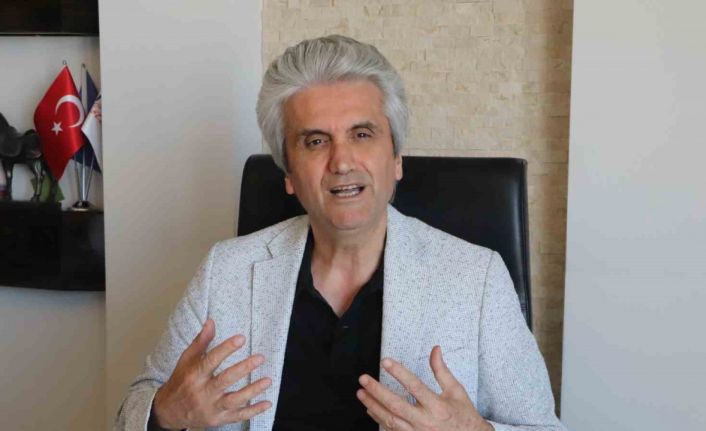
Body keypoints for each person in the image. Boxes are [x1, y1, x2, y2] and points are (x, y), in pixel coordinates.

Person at [115, 35, 566, 431]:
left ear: (396, 159)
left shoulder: (476, 278)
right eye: (315, 141)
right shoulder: (226, 271)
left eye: (362, 134)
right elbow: (133, 410)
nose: (342, 161)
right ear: (288, 174)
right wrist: (165, 414)